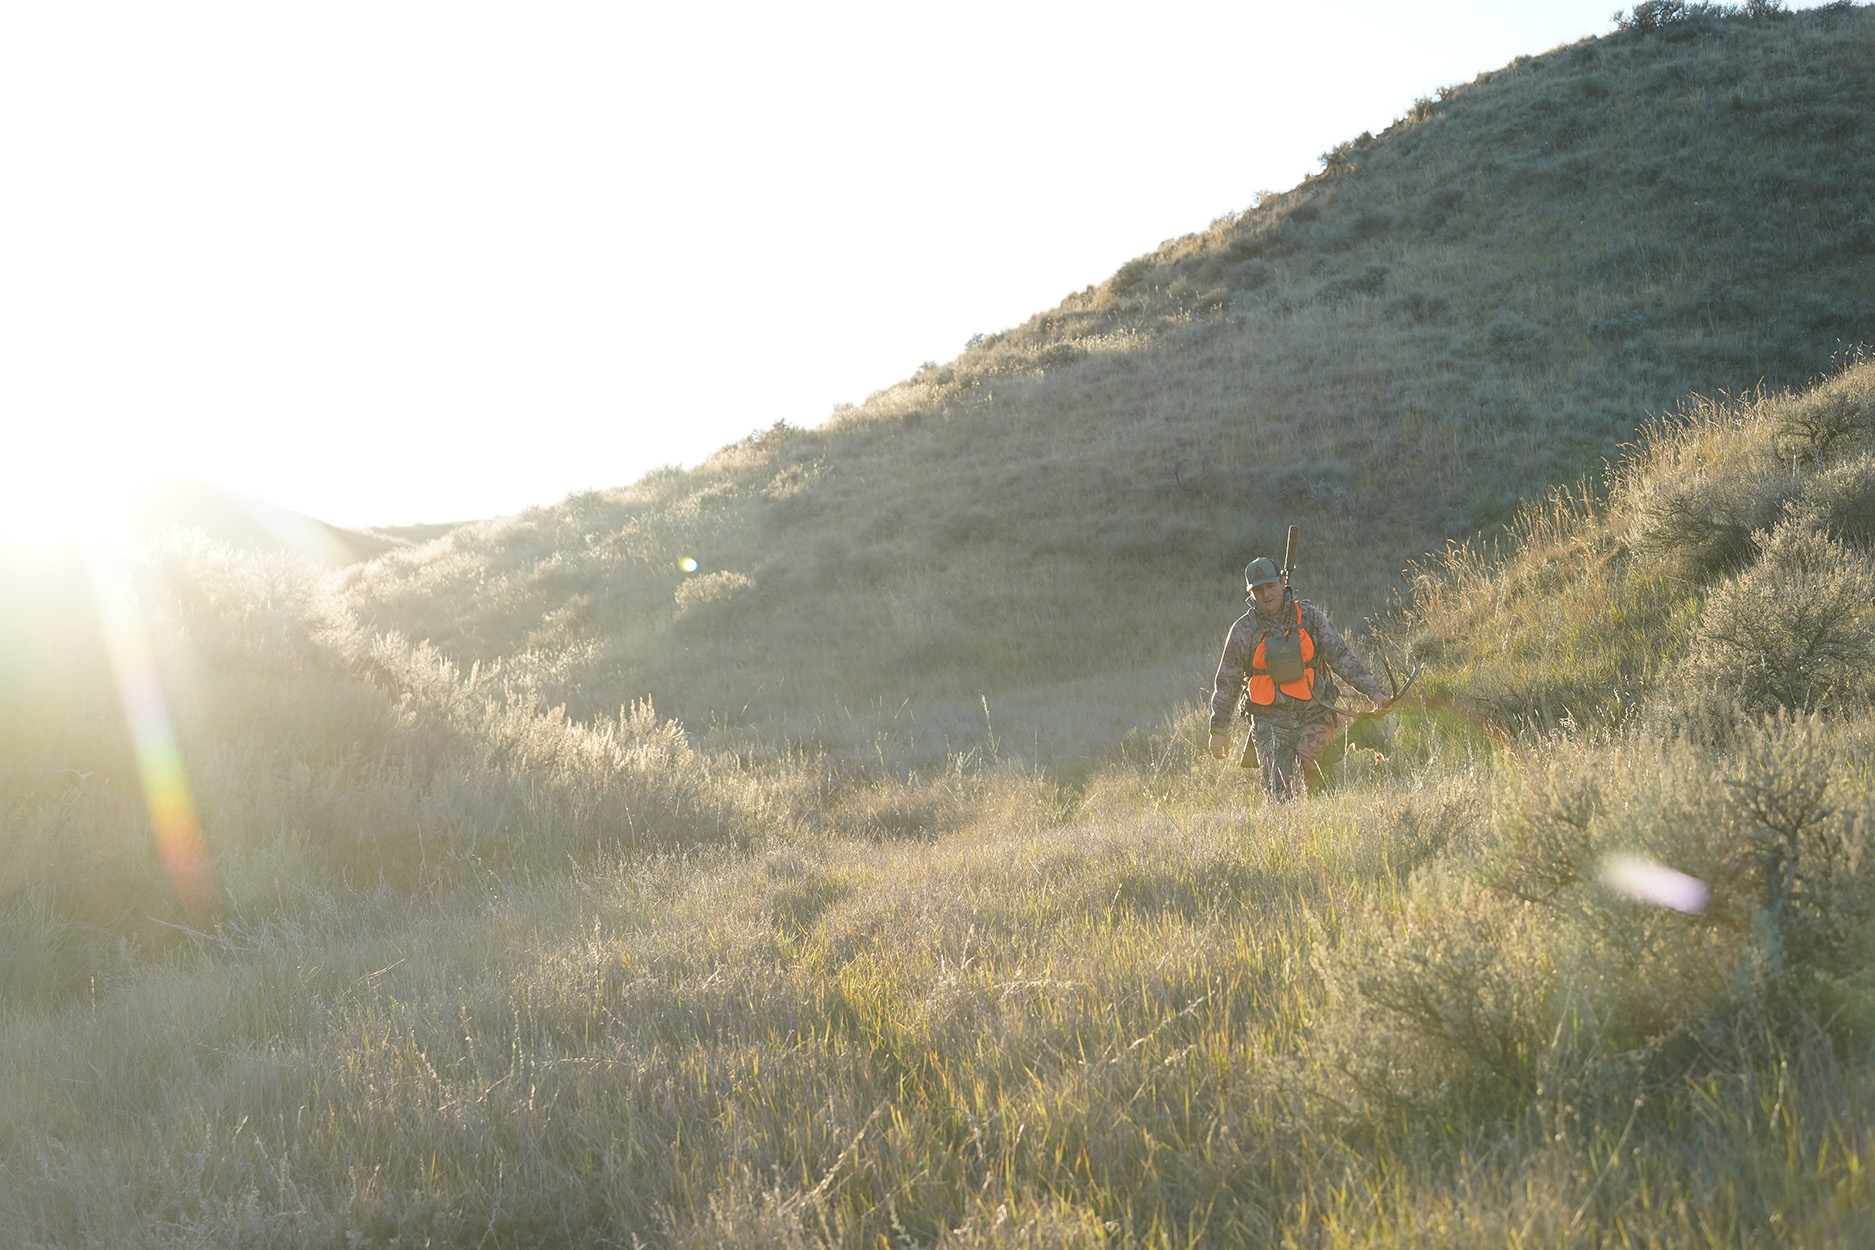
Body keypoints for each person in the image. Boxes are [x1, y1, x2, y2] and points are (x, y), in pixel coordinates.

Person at [1207, 556, 1385, 799]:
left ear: (1282, 583)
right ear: (1250, 593)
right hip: (1270, 720)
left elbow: (1341, 657)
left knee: (1317, 784)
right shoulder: (1243, 630)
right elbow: (1227, 682)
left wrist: (1373, 691)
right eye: (1258, 590)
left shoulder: (1310, 618)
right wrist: (1218, 730)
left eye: (1270, 586)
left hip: (1315, 713)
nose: (1266, 594)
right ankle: (1288, 833)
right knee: (1279, 793)